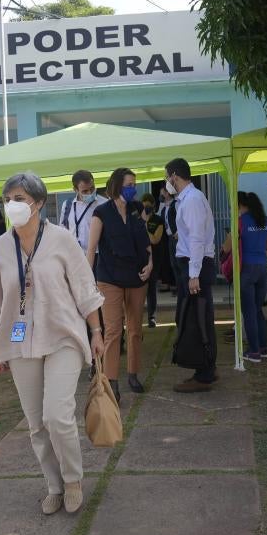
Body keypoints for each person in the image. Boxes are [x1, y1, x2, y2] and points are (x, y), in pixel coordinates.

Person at [0, 172, 104, 516]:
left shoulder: (61, 240)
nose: (12, 206)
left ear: (37, 203)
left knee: (57, 415)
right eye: (7, 199)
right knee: (36, 423)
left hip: (63, 335)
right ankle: (54, 485)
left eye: (19, 199)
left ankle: (73, 480)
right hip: (20, 340)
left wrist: (96, 332)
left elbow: (84, 287)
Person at [85, 168, 152, 402]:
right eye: (129, 184)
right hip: (109, 278)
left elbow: (146, 242)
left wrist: (151, 263)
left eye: (134, 184)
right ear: (117, 185)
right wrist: (88, 282)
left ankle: (133, 374)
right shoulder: (101, 212)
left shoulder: (137, 210)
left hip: (137, 277)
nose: (133, 188)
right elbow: (91, 249)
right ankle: (112, 381)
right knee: (113, 330)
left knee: (135, 329)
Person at [165, 158, 218, 392]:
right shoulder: (187, 199)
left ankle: (204, 374)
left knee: (199, 319)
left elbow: (197, 238)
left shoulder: (193, 200)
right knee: (196, 317)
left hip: (196, 265)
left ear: (174, 176)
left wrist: (193, 273)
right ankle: (204, 368)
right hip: (192, 264)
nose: (167, 181)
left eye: (168, 177)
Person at [238, 191, 267, 363]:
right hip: (263, 268)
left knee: (249, 312)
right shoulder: (266, 221)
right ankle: (263, 347)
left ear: (240, 205)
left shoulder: (240, 221)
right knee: (258, 309)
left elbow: (229, 247)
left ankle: (253, 352)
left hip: (247, 269)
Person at [60, 170, 108, 254]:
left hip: (98, 254)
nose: (90, 193)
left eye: (92, 188)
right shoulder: (67, 205)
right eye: (85, 191)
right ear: (75, 190)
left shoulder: (104, 204)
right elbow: (63, 229)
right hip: (74, 254)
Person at [140, 193, 165, 328]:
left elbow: (155, 239)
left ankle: (152, 317)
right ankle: (137, 316)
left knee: (151, 289)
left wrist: (144, 227)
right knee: (139, 289)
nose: (146, 208)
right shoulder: (137, 219)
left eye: (148, 206)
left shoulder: (158, 220)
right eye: (144, 206)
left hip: (155, 258)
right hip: (140, 259)